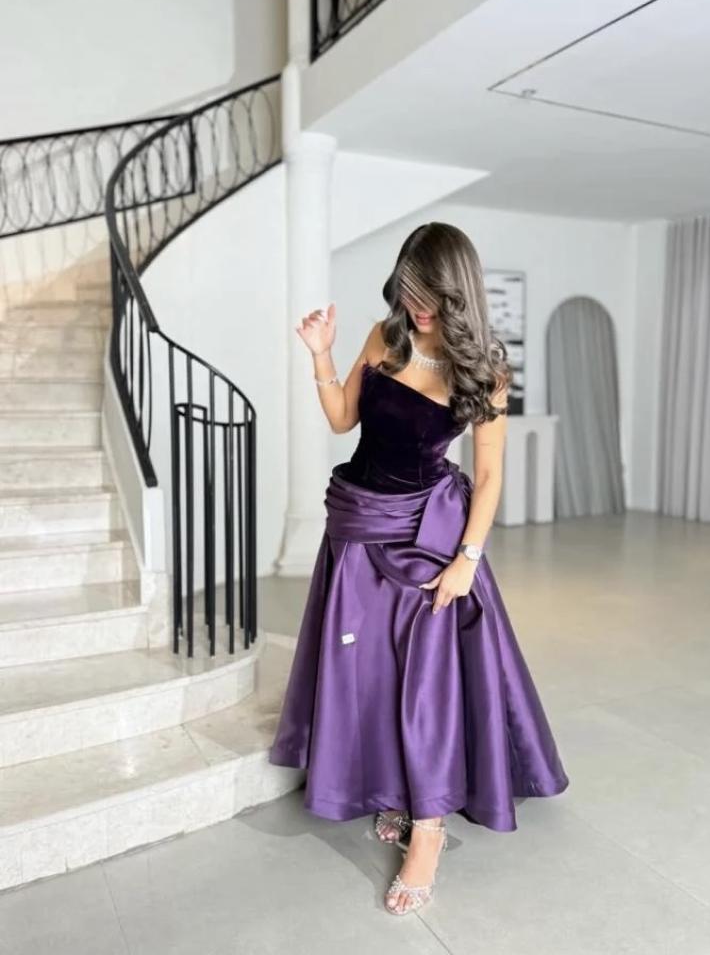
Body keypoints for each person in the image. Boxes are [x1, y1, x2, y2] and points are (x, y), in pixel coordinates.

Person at [269, 221, 569, 916]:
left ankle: (428, 830)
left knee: (425, 683)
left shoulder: (484, 370)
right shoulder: (386, 337)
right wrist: (322, 354)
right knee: (372, 670)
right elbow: (343, 418)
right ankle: (395, 791)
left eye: (430, 292)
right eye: (408, 289)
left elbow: (489, 477)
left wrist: (467, 560)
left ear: (458, 289)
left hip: (429, 536)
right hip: (357, 528)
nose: (418, 304)